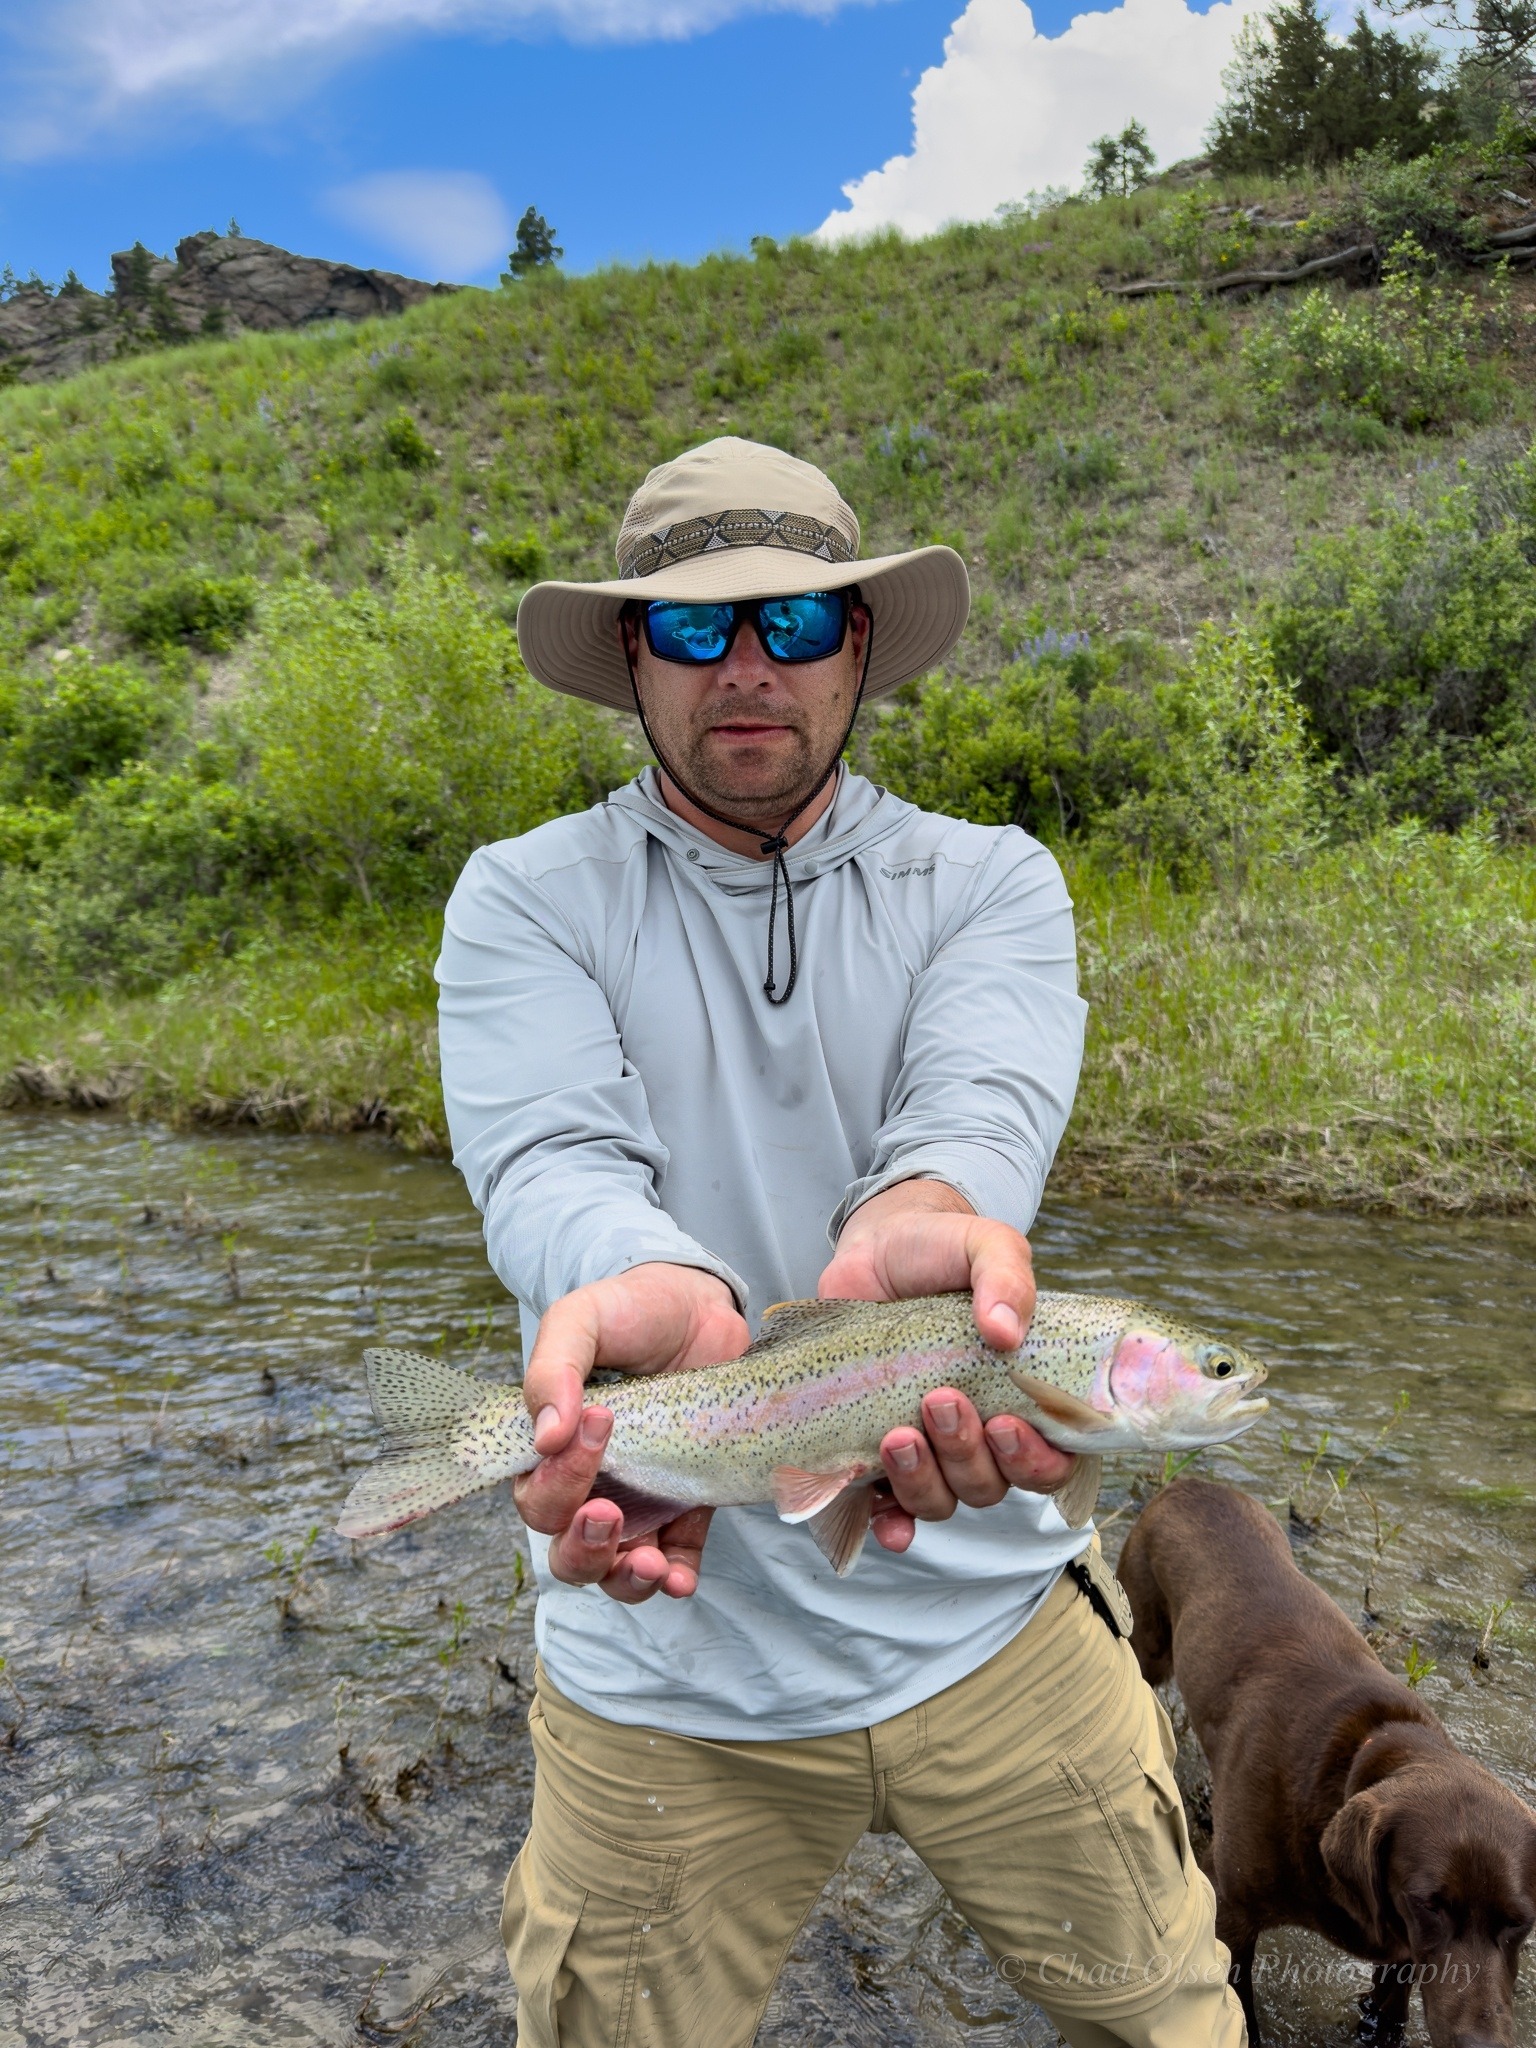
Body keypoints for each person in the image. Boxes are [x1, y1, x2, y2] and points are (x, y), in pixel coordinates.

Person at [436, 436, 1246, 2047]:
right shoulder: (523, 898)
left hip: (1009, 1633)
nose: (748, 667)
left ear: (859, 645)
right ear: (630, 663)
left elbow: (978, 1106)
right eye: (695, 629)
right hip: (667, 1674)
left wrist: (928, 1215)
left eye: (796, 624)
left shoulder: (990, 885)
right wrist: (661, 1290)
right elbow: (550, 1158)